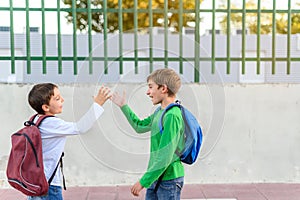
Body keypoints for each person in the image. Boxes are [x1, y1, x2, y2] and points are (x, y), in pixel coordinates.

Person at [27, 83, 111, 200]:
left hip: (34, 182)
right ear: (46, 107)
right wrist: (98, 104)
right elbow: (81, 127)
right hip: (49, 185)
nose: (62, 100)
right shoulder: (52, 123)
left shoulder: (35, 119)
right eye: (57, 99)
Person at [111, 68, 185, 199]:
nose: (148, 92)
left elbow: (165, 156)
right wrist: (124, 106)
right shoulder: (160, 112)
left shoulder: (172, 115)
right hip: (155, 176)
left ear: (163, 89)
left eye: (151, 87)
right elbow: (139, 126)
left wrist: (142, 182)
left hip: (169, 180)